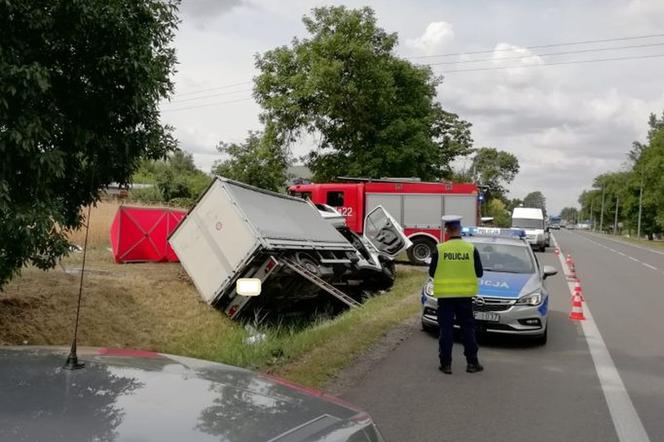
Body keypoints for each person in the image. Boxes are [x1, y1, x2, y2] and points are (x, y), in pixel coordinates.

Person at [428, 215, 484, 374]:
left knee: (446, 330)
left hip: (445, 297)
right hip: (465, 297)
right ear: (460, 230)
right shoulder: (471, 249)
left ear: (447, 231)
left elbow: (432, 272)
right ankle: (472, 363)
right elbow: (479, 273)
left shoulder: (440, 249)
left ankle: (446, 365)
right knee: (468, 330)